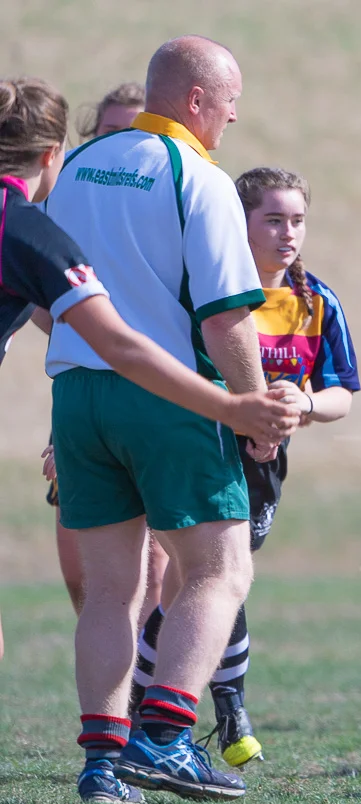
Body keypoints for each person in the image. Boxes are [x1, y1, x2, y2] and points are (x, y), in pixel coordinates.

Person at [0, 73, 296, 747]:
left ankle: (104, 761)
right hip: (167, 399)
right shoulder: (201, 176)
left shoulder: (78, 169)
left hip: (75, 399)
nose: (236, 114)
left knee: (109, 591)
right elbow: (223, 319)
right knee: (220, 572)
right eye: (230, 99)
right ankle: (163, 741)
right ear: (197, 100)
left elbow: (50, 311)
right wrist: (243, 407)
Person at [129, 166, 361, 771]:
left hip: (264, 463)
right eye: (273, 220)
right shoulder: (203, 291)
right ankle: (228, 708)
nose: (288, 234)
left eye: (298, 221)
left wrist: (303, 403)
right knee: (223, 576)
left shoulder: (317, 302)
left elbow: (342, 394)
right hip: (197, 453)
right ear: (241, 222)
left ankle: (139, 701)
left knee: (190, 589)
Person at [36, 81, 170, 630]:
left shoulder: (173, 204)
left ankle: (143, 701)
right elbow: (39, 307)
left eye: (135, 133)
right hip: (84, 402)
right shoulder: (65, 208)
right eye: (111, 132)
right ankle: (117, 697)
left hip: (157, 403)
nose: (122, 146)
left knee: (154, 573)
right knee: (84, 581)